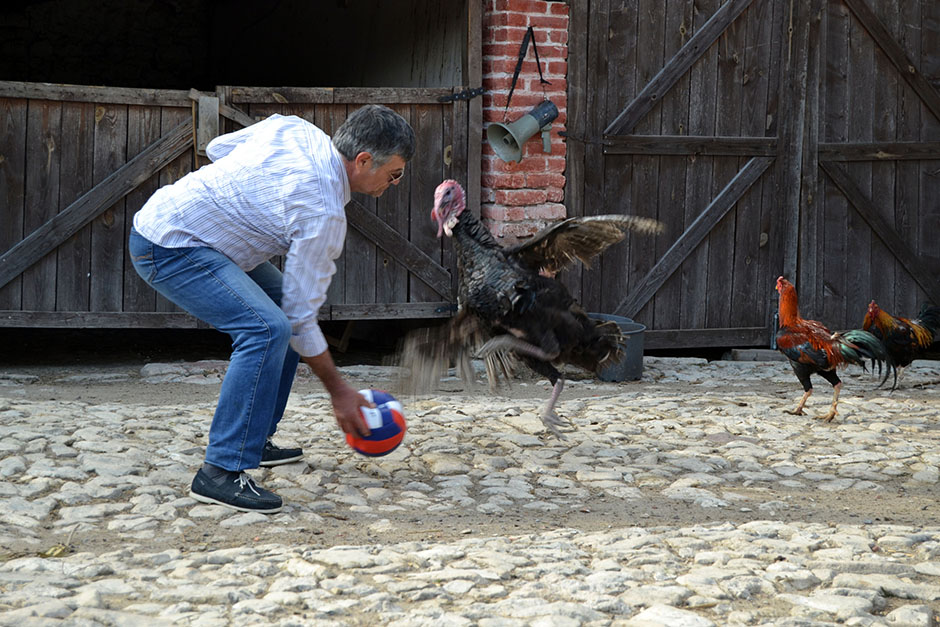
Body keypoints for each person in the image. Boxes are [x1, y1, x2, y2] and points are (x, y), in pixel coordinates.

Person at [129, 105, 416, 514]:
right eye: (395, 174)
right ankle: (220, 472)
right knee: (268, 329)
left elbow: (218, 147)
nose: (395, 183)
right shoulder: (322, 210)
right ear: (364, 160)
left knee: (278, 309)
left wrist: (243, 200)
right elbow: (300, 318)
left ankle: (253, 436)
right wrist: (339, 391)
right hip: (168, 244)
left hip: (199, 236)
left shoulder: (296, 130)